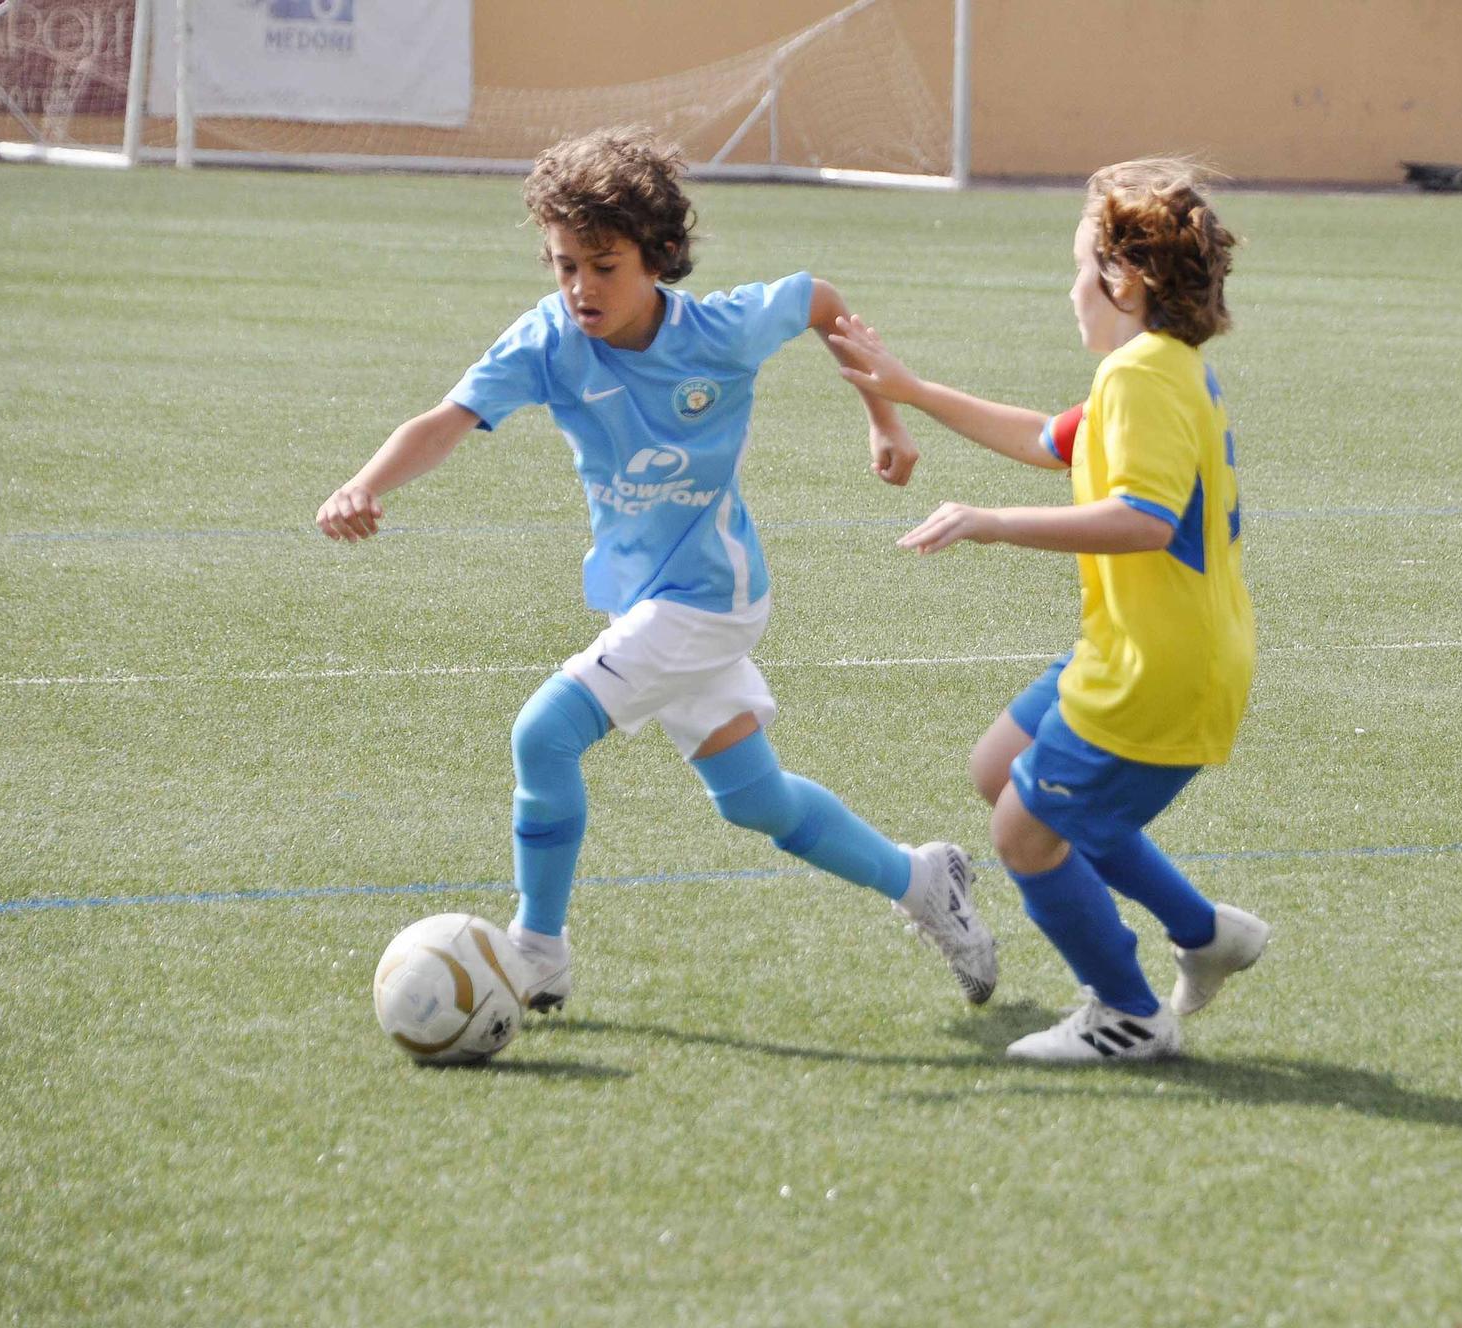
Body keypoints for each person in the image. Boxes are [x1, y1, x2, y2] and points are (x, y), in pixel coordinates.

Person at [316, 128, 996, 1013]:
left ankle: (537, 955)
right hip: (646, 602)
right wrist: (364, 483)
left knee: (543, 735)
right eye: (564, 265)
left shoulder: (719, 331)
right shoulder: (547, 340)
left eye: (603, 266)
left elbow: (823, 303)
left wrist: (886, 421)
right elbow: (445, 420)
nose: (580, 289)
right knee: (756, 803)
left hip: (711, 596)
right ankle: (922, 880)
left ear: (659, 257)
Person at [828, 158, 1268, 1063]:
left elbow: (1142, 523)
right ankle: (1203, 931)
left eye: (1079, 267)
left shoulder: (1142, 377)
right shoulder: (1156, 370)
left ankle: (1129, 1011)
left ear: (1125, 277)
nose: (1070, 288)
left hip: (1160, 664)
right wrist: (906, 388)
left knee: (1024, 832)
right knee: (1005, 768)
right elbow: (1043, 439)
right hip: (1135, 648)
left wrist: (990, 524)